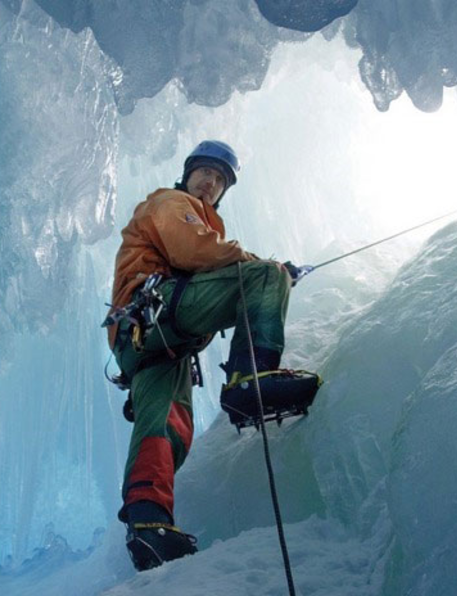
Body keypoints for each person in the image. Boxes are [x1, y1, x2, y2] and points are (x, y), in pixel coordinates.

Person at [106, 140, 298, 571]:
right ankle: (252, 379)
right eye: (205, 173)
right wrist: (266, 268)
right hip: (157, 314)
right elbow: (193, 249)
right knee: (267, 277)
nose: (210, 183)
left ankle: (148, 523)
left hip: (144, 341)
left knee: (168, 424)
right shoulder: (171, 202)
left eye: (219, 180)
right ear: (189, 173)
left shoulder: (190, 208)